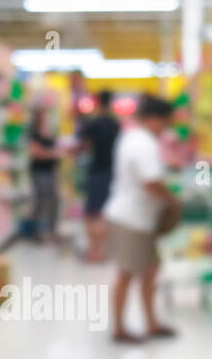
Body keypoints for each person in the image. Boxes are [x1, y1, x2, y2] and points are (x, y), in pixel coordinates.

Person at [103, 95, 177, 343]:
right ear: (155, 119)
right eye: (166, 122)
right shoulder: (144, 143)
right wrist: (172, 200)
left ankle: (152, 323)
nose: (166, 128)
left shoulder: (133, 137)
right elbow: (151, 182)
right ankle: (119, 329)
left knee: (150, 270)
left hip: (138, 218)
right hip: (132, 219)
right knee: (127, 273)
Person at [76, 90, 120, 263]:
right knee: (104, 212)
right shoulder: (115, 124)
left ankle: (93, 251)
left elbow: (81, 143)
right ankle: (101, 250)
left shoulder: (93, 124)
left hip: (96, 170)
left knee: (91, 212)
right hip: (112, 171)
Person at [27, 99, 62, 244]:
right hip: (40, 173)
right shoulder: (34, 134)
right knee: (41, 202)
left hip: (50, 172)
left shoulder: (49, 133)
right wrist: (53, 153)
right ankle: (40, 233)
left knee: (53, 201)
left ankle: (51, 231)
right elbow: (35, 152)